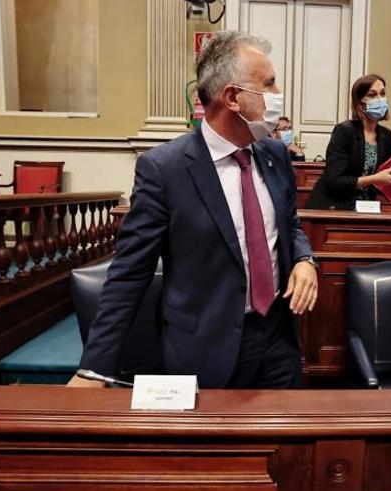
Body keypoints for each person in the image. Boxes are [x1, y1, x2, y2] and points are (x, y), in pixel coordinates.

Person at [69, 31, 318, 389]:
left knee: (280, 443)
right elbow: (129, 274)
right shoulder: (164, 169)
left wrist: (305, 260)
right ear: (232, 97)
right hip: (206, 350)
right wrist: (93, 368)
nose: (278, 95)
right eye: (269, 84)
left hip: (279, 339)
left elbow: (289, 224)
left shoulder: (275, 155)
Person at [304, 74, 391, 210]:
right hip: (333, 206)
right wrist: (373, 179)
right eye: (372, 95)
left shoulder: (386, 136)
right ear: (359, 103)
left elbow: (387, 178)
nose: (380, 99)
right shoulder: (344, 131)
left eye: (382, 94)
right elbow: (334, 181)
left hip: (365, 207)